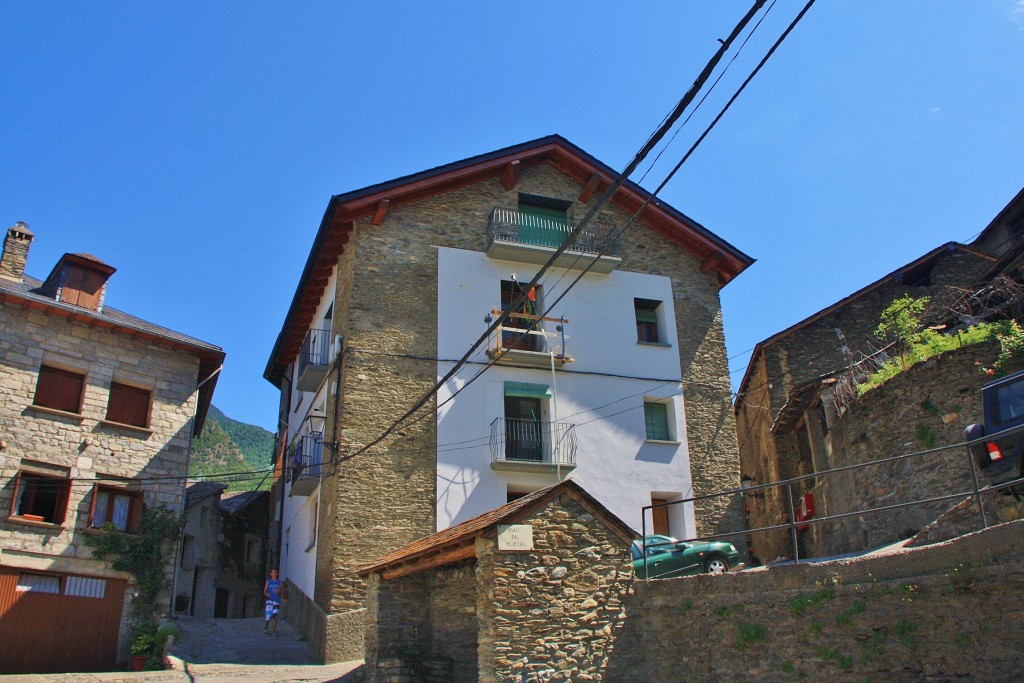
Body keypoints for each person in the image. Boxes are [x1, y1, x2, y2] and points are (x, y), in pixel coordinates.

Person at [263, 568, 282, 637]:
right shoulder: (269, 581)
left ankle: (273, 631)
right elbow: (264, 591)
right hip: (269, 600)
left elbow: (282, 591)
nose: (274, 574)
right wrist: (266, 594)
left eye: (275, 572)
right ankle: (266, 627)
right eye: (272, 572)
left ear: (277, 574)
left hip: (276, 601)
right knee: (268, 615)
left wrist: (279, 591)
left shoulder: (279, 582)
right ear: (271, 574)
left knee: (275, 616)